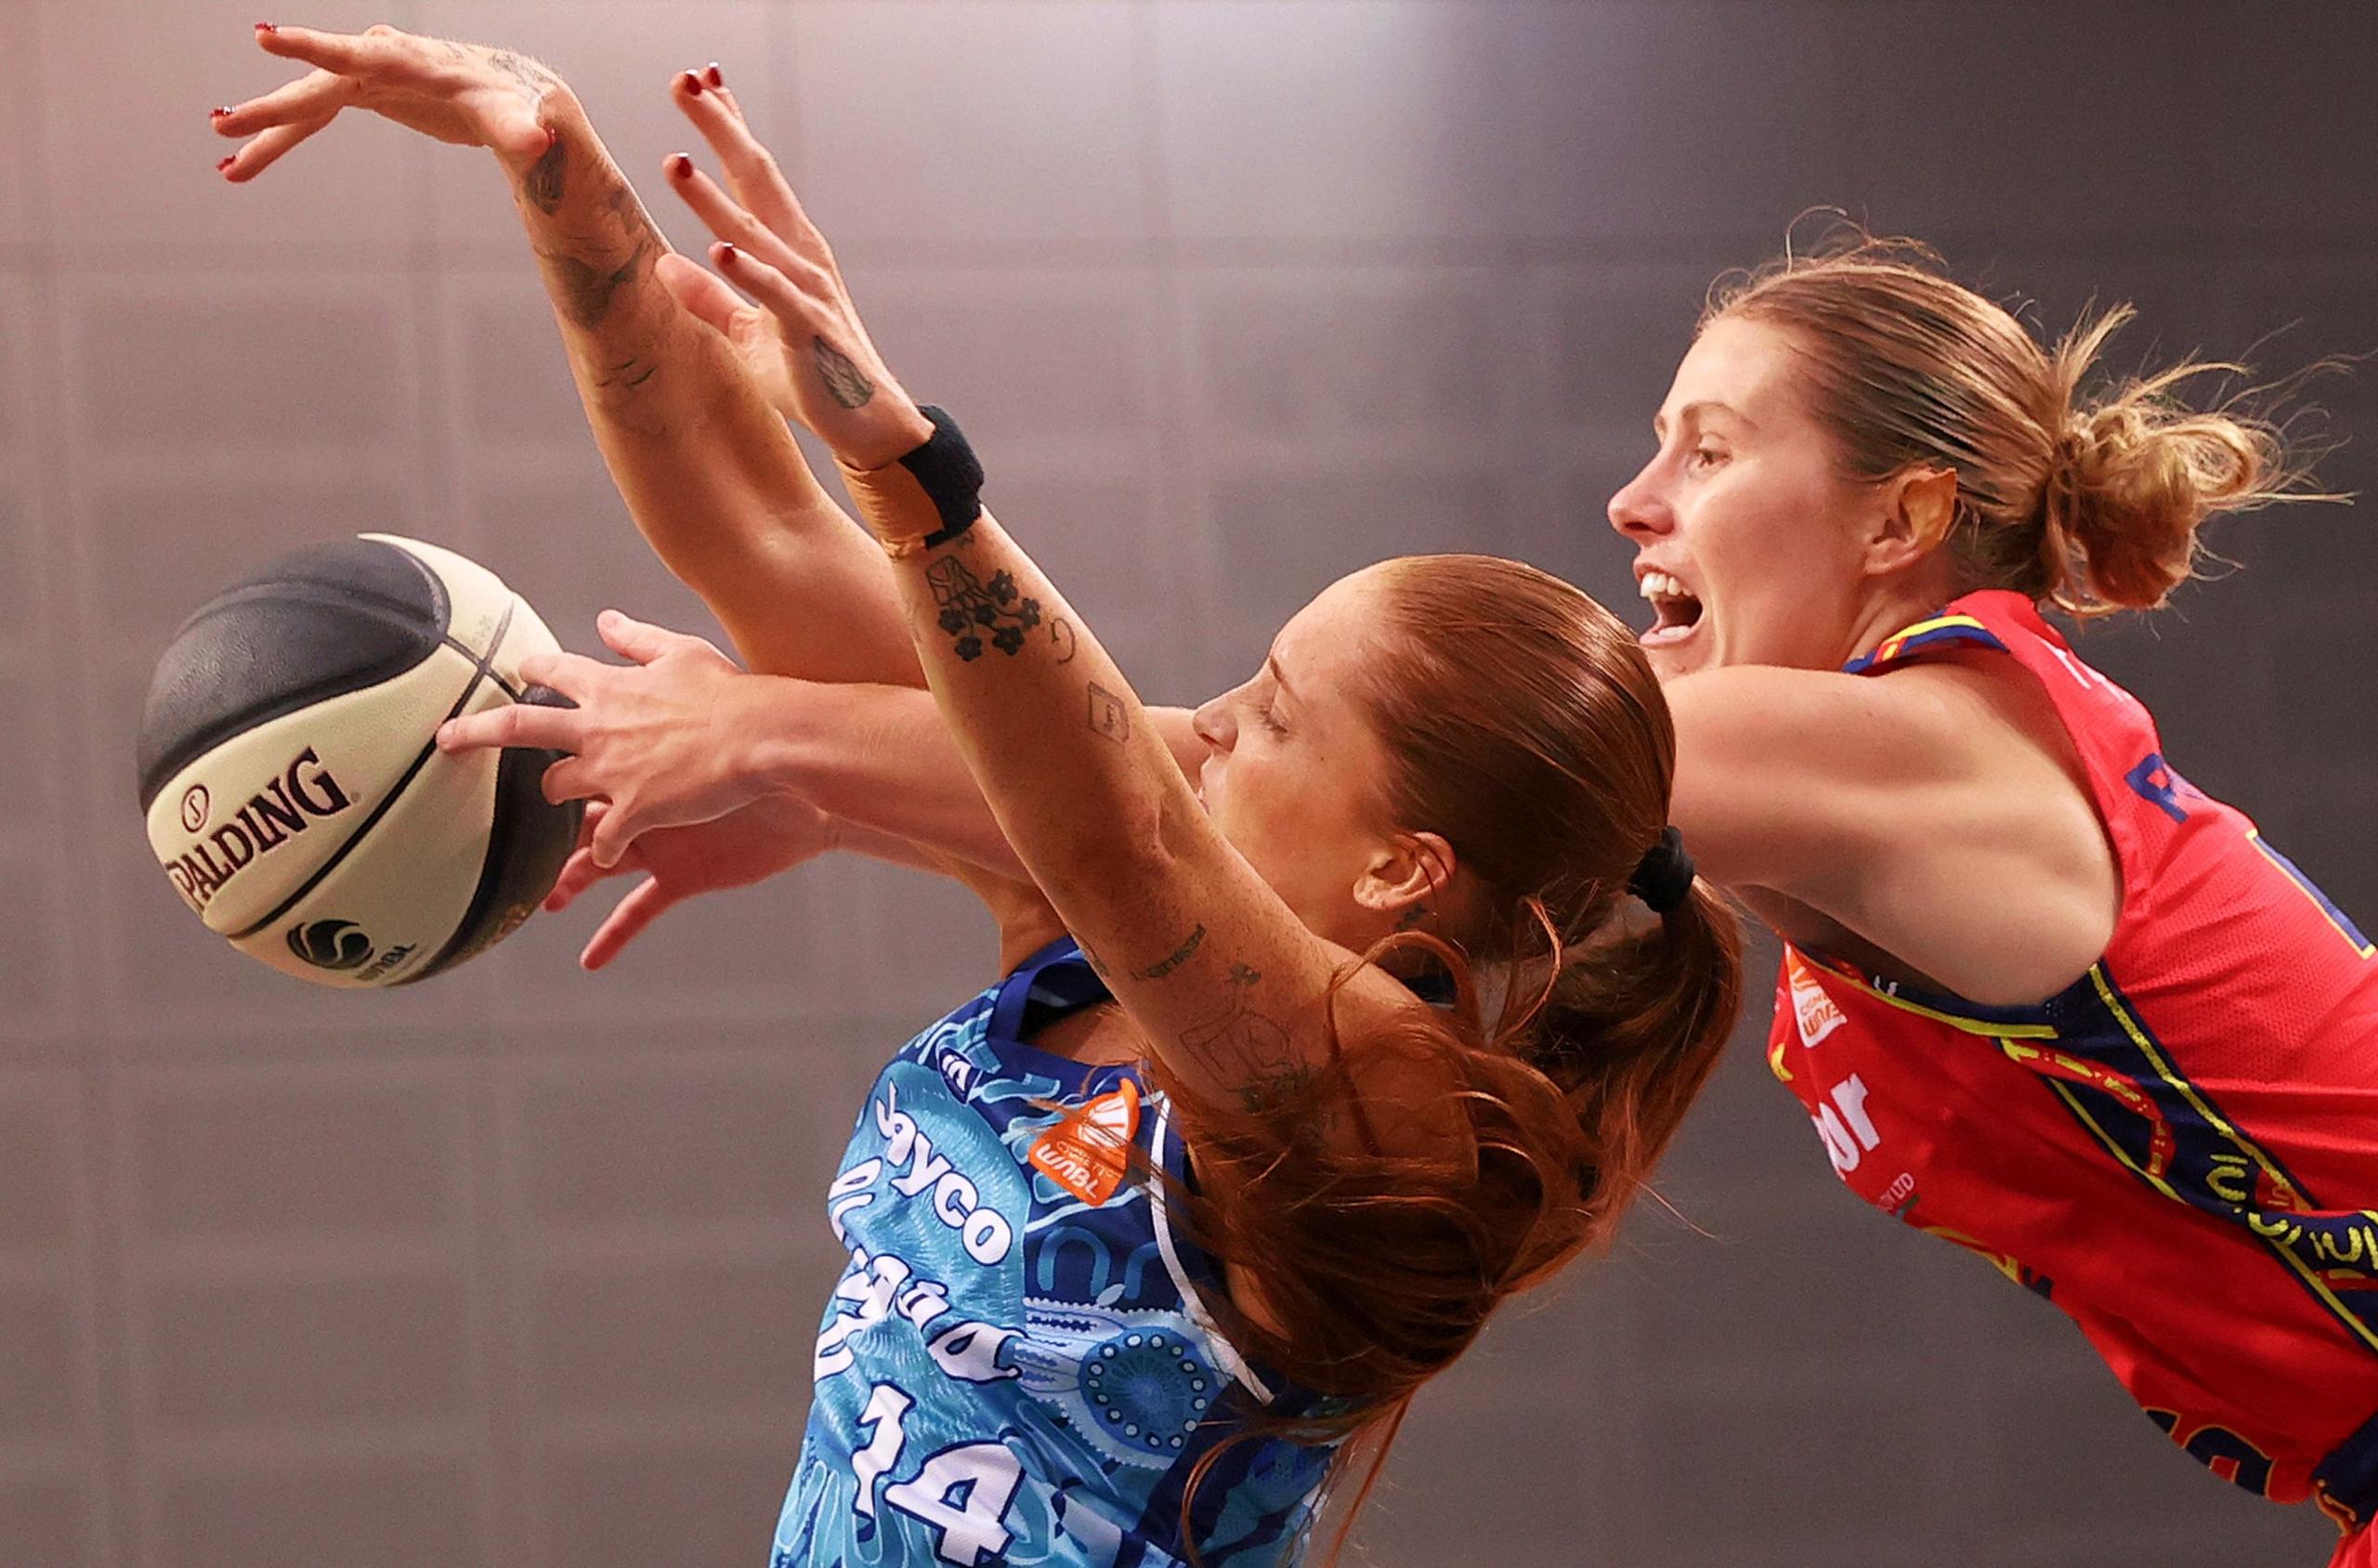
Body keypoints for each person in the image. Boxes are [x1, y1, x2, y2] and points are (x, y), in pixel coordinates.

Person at [218, 23, 2378, 1562]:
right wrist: (560, 171)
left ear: (1902, 522)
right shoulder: (1305, 930)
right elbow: (935, 675)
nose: (1632, 496)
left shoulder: (1910, 745)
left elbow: (1118, 797)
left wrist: (808, 737)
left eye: (1709, 450)